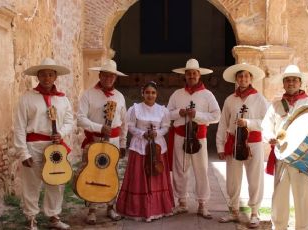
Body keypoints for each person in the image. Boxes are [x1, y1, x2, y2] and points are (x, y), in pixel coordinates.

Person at [261, 64, 308, 230]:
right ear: (283, 83)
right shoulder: (275, 105)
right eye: (287, 80)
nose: (291, 83)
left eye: (294, 80)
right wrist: (270, 137)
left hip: (303, 157)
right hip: (282, 155)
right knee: (279, 197)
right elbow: (265, 126)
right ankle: (279, 227)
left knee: (303, 196)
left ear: (300, 82)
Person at [14, 57, 73, 230]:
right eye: (43, 75)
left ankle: (53, 215)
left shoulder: (63, 99)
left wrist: (61, 133)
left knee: (56, 181)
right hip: (34, 146)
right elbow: (19, 126)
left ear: (55, 77)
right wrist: (23, 152)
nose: (47, 78)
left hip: (56, 147)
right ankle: (31, 217)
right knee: (31, 184)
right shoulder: (27, 98)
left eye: (50, 74)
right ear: (37, 77)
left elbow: (70, 121)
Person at [216, 62, 269, 227]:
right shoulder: (230, 100)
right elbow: (223, 124)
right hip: (233, 142)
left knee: (255, 179)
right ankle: (234, 211)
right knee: (232, 179)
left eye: (246, 75)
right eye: (240, 76)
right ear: (236, 79)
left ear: (251, 78)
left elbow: (267, 123)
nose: (243, 78)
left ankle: (254, 212)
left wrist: (248, 122)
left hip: (253, 143)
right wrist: (219, 146)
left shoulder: (259, 99)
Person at [167, 58, 221, 219]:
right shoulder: (177, 94)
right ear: (185, 75)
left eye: (194, 73)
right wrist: (179, 113)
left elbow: (216, 116)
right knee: (180, 169)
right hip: (180, 136)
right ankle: (182, 203)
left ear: (199, 75)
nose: (191, 76)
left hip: (199, 137)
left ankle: (202, 204)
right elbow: (167, 114)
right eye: (189, 73)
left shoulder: (207, 94)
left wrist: (197, 115)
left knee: (201, 170)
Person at [77, 59, 128, 225]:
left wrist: (122, 144)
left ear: (115, 78)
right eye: (105, 75)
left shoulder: (119, 97)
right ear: (100, 75)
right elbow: (80, 119)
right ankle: (92, 209)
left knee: (111, 173)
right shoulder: (88, 94)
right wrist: (99, 127)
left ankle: (110, 207)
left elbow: (124, 123)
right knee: (92, 173)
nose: (108, 79)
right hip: (94, 140)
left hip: (113, 141)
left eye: (111, 76)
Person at [116, 81, 175, 222]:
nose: (150, 95)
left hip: (157, 146)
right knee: (139, 176)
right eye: (147, 92)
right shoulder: (134, 109)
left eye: (153, 92)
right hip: (139, 146)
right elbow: (130, 126)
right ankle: (139, 209)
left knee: (156, 175)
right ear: (143, 93)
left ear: (157, 94)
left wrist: (157, 134)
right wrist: (143, 134)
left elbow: (166, 127)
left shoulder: (163, 110)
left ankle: (157, 208)